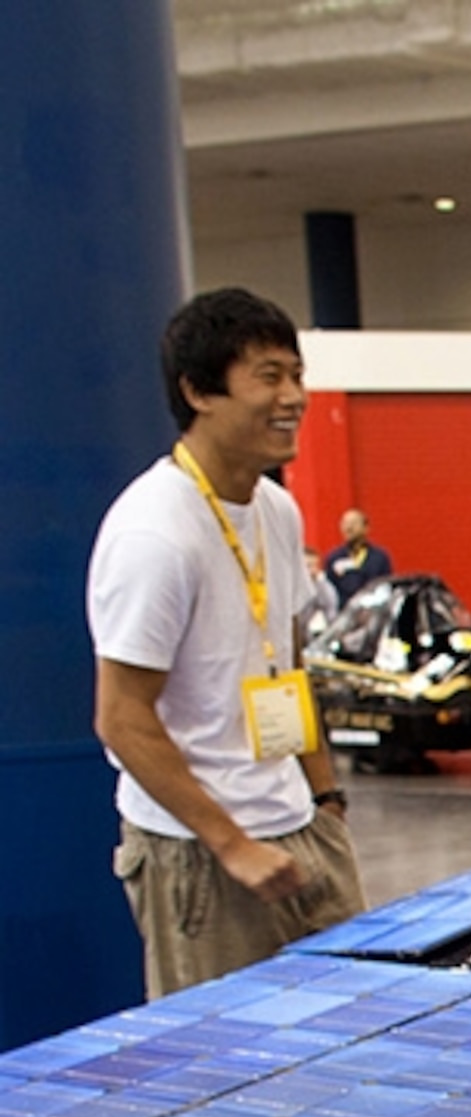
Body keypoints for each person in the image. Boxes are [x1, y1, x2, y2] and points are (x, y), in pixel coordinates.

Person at [89, 287, 365, 998]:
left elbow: (290, 665)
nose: (293, 397)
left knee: (352, 1027)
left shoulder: (277, 509)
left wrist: (325, 798)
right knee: (225, 1055)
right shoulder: (154, 532)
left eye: (297, 375)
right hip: (202, 853)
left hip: (300, 827)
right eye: (268, 376)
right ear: (198, 391)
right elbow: (121, 717)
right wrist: (232, 844)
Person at [321, 507, 392, 606]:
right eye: (345, 523)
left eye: (353, 523)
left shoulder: (379, 557)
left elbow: (385, 587)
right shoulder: (334, 558)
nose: (348, 528)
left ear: (366, 528)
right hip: (343, 612)